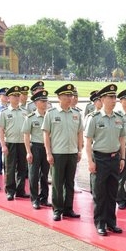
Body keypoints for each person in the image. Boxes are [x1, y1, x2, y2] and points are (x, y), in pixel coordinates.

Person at [84, 84, 126, 235]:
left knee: (112, 192)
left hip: (115, 158)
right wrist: (90, 161)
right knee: (100, 193)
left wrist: (123, 158)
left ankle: (111, 222)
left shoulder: (119, 118)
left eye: (115, 97)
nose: (114, 100)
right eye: (110, 97)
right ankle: (100, 223)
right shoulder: (93, 118)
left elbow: (122, 138)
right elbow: (88, 142)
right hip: (99, 159)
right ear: (102, 99)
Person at [43, 83, 84, 221]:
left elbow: (79, 133)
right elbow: (46, 134)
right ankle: (57, 209)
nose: (69, 98)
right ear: (59, 97)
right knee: (57, 183)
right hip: (58, 153)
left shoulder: (76, 114)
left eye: (71, 95)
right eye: (66, 95)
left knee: (69, 182)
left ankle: (68, 208)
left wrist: (79, 150)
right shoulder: (51, 114)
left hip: (72, 152)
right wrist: (48, 153)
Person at [0, 86, 29, 201]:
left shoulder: (25, 112)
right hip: (10, 142)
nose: (16, 98)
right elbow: (0, 129)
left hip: (22, 143)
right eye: (13, 96)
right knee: (10, 168)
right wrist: (3, 145)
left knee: (22, 168)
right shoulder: (4, 112)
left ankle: (20, 190)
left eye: (17, 95)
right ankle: (10, 191)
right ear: (8, 98)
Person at [22, 89, 51, 209]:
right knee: (33, 174)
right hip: (35, 147)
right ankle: (35, 199)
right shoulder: (30, 117)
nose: (44, 103)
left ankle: (44, 198)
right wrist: (28, 151)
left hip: (47, 148)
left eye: (45, 101)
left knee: (45, 174)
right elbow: (26, 135)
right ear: (35, 103)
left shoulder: (50, 116)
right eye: (41, 101)